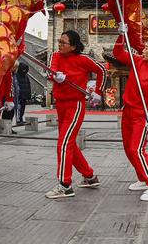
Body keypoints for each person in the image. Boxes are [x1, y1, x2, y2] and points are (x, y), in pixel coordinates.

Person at [44, 32, 107, 199]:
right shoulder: (55, 55)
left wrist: (98, 92)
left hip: (75, 105)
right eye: (59, 41)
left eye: (63, 43)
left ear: (73, 46)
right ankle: (89, 176)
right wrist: (56, 76)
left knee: (64, 143)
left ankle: (65, 185)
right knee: (68, 143)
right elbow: (52, 71)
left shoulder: (83, 59)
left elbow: (102, 70)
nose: (60, 44)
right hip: (61, 105)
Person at [112, 28, 148, 202]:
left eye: (147, 48)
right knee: (128, 149)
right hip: (128, 111)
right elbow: (117, 53)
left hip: (141, 116)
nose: (143, 50)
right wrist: (121, 35)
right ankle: (143, 179)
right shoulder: (138, 61)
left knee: (136, 149)